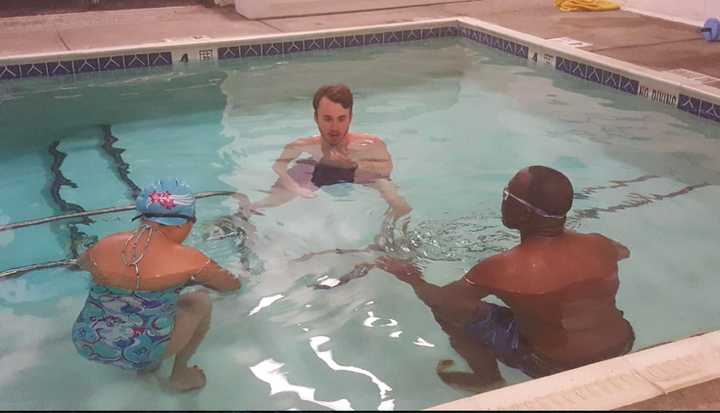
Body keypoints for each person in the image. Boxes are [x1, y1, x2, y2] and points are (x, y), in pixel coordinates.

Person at [376, 166, 634, 390]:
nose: (503, 198)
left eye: (507, 194)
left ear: (524, 214)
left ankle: (487, 379)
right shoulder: (600, 245)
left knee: (450, 312)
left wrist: (412, 277)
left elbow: (443, 300)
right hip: (621, 345)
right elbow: (624, 252)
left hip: (556, 365)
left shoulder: (503, 268)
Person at [71, 178, 242, 392]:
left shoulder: (105, 244)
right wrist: (187, 280)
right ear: (184, 223)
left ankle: (145, 363)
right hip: (148, 350)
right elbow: (231, 286)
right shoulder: (192, 260)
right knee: (200, 300)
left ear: (142, 217)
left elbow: (80, 265)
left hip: (87, 341)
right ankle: (181, 373)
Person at [250, 84, 411, 219]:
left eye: (341, 119)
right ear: (316, 118)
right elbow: (278, 167)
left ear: (350, 118)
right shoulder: (302, 146)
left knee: (400, 204)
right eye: (327, 119)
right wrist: (295, 188)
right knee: (263, 204)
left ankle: (386, 242)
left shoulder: (372, 144)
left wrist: (354, 165)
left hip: (357, 176)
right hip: (317, 172)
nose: (334, 127)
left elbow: (386, 171)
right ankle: (240, 214)